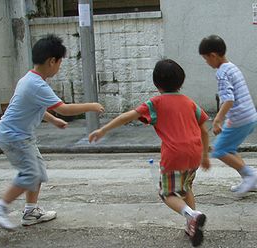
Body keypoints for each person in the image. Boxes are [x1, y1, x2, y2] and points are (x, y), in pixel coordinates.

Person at [0, 34, 104, 230]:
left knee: (37, 172)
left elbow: (35, 107)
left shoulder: (29, 79)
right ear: (51, 61)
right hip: (14, 137)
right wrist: (92, 105)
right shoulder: (37, 84)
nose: (59, 67)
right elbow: (63, 108)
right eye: (60, 63)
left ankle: (31, 212)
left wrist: (54, 120)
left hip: (20, 135)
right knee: (31, 174)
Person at [89, 59, 210, 247]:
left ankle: (192, 215)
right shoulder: (189, 102)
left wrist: (103, 130)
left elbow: (128, 116)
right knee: (186, 188)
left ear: (156, 84)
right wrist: (205, 155)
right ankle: (191, 225)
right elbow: (204, 128)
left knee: (166, 194)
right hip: (194, 153)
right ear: (181, 82)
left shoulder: (156, 103)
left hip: (174, 156)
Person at [199, 34, 257, 197]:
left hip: (240, 118)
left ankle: (251, 175)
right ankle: (250, 179)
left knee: (219, 150)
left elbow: (228, 100)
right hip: (249, 116)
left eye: (205, 58)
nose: (206, 62)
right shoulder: (232, 67)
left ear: (213, 56)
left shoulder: (222, 72)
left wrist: (217, 120)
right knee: (229, 148)